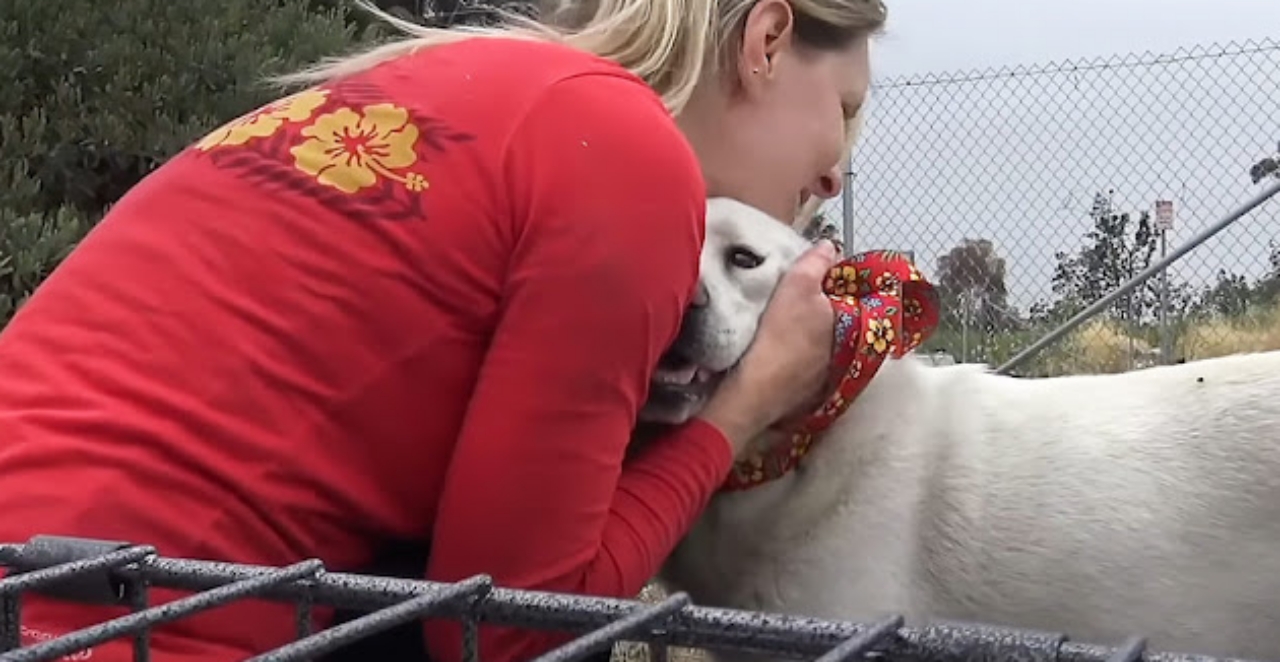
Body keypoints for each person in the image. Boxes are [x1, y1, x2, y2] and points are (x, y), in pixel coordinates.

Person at [0, 0, 885, 659]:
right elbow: (509, 630)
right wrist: (747, 407)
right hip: (108, 622)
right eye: (843, 108)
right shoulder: (625, 159)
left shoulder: (455, 83)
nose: (836, 170)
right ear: (766, 43)